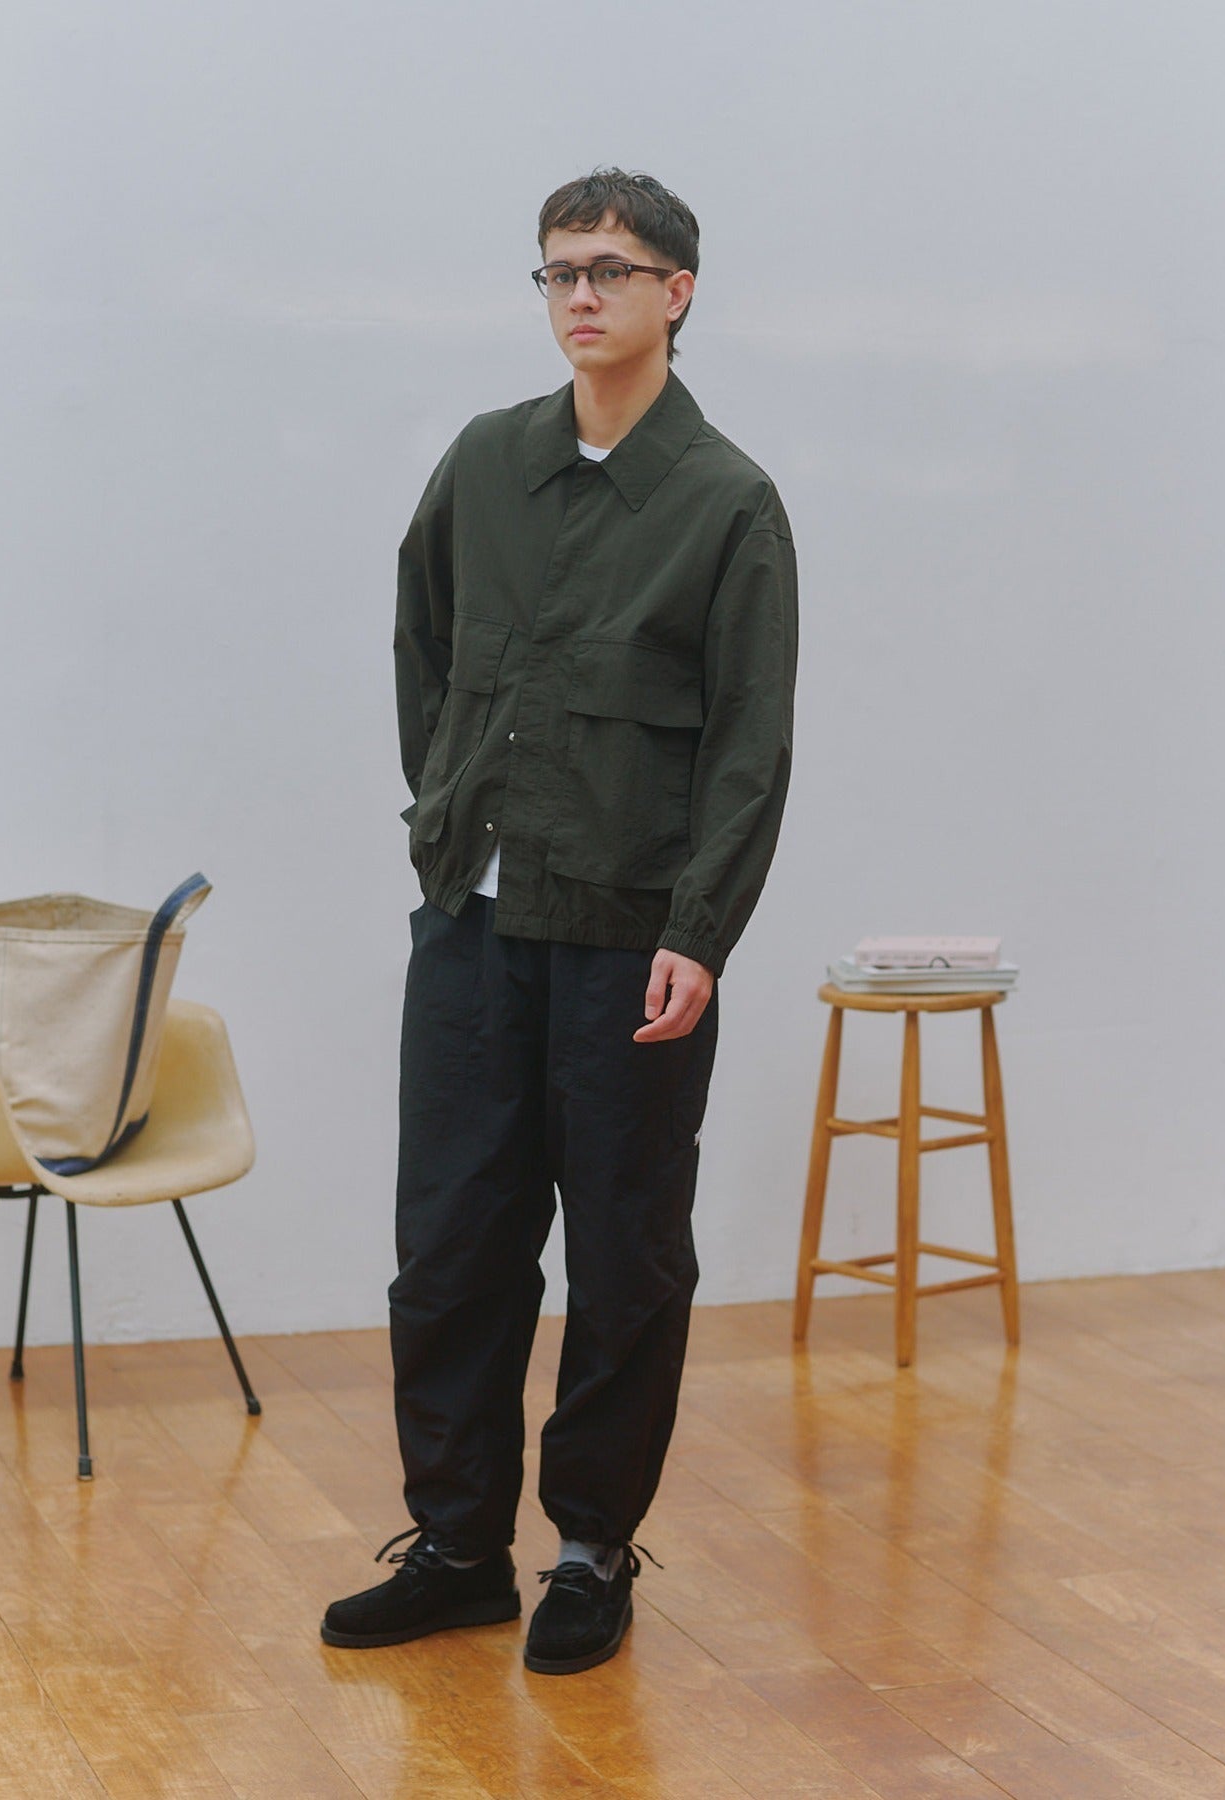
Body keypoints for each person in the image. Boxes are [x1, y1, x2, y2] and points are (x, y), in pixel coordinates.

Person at [321, 167, 797, 1675]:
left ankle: (591, 1549)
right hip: (474, 926)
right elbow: (422, 645)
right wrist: (446, 816)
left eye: (611, 269)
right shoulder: (484, 463)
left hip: (630, 945)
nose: (580, 295)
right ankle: (459, 1547)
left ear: (678, 292)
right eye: (557, 272)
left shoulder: (726, 503)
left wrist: (701, 929)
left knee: (625, 1255)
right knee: (450, 1249)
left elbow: (750, 742)